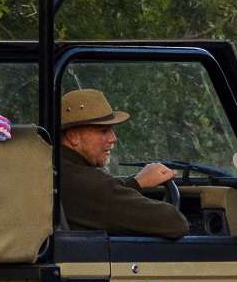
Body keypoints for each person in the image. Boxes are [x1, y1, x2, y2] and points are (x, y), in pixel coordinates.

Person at [54, 88, 189, 239]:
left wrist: (136, 183)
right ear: (73, 137)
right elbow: (174, 223)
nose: (113, 138)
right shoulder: (85, 182)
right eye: (103, 131)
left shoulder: (54, 171)